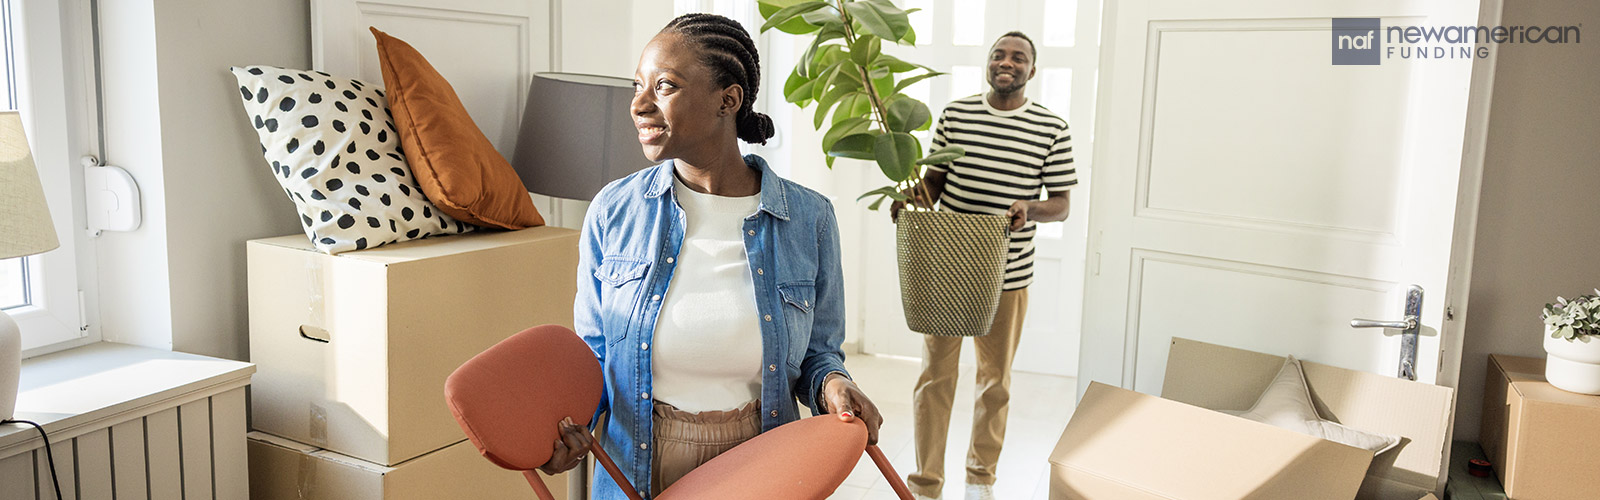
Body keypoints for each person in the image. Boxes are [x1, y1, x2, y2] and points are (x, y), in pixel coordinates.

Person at [540, 13, 884, 500]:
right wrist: (565, 430)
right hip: (637, 460)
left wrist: (832, 384)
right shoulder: (612, 212)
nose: (638, 104)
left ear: (729, 99)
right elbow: (593, 356)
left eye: (664, 86)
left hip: (762, 457)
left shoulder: (810, 220)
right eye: (637, 86)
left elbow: (818, 354)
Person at [890, 31, 1076, 500]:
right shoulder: (957, 114)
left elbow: (1061, 204)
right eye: (999, 54)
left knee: (995, 382)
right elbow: (933, 182)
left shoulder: (1052, 127)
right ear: (988, 64)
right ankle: (926, 483)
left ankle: (980, 480)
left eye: (1018, 57)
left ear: (1032, 71)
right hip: (947, 272)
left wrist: (1028, 209)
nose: (1006, 61)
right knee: (935, 378)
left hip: (1008, 276)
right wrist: (909, 199)